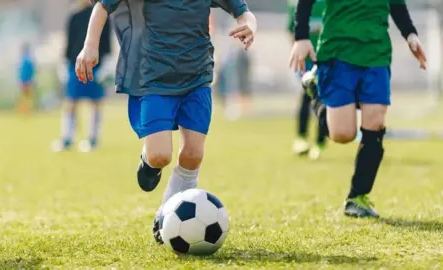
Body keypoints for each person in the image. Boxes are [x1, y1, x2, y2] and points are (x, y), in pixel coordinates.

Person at [77, 0, 256, 242]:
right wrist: (90, 46)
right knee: (160, 156)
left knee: (193, 155)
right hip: (155, 79)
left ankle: (166, 216)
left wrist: (249, 27)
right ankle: (148, 160)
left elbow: (243, 13)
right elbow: (102, 6)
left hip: (198, 78)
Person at [289, 0, 426, 217]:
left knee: (377, 121)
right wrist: (302, 37)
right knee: (343, 134)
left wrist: (410, 34)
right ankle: (315, 92)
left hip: (376, 55)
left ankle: (357, 198)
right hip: (338, 53)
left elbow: (397, 4)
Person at [52, 0, 111, 153]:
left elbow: (107, 44)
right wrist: (64, 65)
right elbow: (68, 44)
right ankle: (67, 138)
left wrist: (105, 66)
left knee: (96, 103)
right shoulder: (74, 16)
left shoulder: (103, 13)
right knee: (71, 103)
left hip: (95, 65)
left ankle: (93, 138)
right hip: (74, 65)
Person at [287, 0, 326, 160]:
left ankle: (319, 142)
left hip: (327, 58)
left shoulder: (329, 4)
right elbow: (292, 30)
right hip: (308, 61)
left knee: (325, 99)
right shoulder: (299, 5)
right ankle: (301, 138)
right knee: (307, 95)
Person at [17, 43, 36, 114]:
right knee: (25, 96)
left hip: (27, 80)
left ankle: (26, 111)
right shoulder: (26, 59)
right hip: (25, 80)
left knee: (26, 96)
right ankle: (24, 111)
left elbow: (31, 70)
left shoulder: (26, 59)